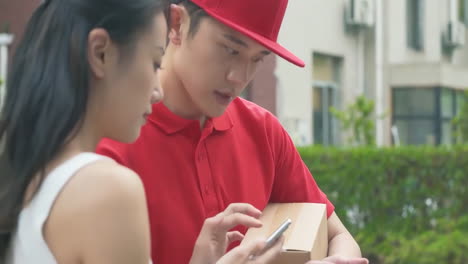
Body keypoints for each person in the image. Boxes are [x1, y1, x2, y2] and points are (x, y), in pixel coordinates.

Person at [0, 0, 283, 263]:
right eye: (155, 63)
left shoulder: (28, 170)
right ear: (101, 53)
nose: (158, 91)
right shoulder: (108, 189)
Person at [96, 0, 369, 263]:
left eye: (257, 59)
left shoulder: (263, 131)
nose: (239, 77)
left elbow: (341, 237)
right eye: (230, 50)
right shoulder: (109, 142)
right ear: (177, 24)